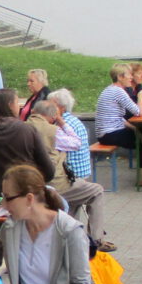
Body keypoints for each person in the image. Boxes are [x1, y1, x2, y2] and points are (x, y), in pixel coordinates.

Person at [26, 99, 109, 245]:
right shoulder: (52, 131)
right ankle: (96, 239)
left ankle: (71, 236)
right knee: (96, 191)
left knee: (78, 189)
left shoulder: (24, 126)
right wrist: (61, 122)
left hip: (30, 182)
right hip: (54, 183)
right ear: (52, 116)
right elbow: (76, 143)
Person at [94, 64, 142, 188]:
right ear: (120, 77)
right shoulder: (118, 91)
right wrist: (140, 96)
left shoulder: (111, 90)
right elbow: (138, 112)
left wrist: (134, 128)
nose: (131, 78)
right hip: (108, 134)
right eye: (129, 75)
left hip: (109, 131)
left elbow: (118, 117)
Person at [49, 89, 95, 185]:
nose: (48, 109)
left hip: (72, 173)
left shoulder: (62, 124)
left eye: (51, 105)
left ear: (62, 108)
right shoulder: (73, 120)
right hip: (83, 170)